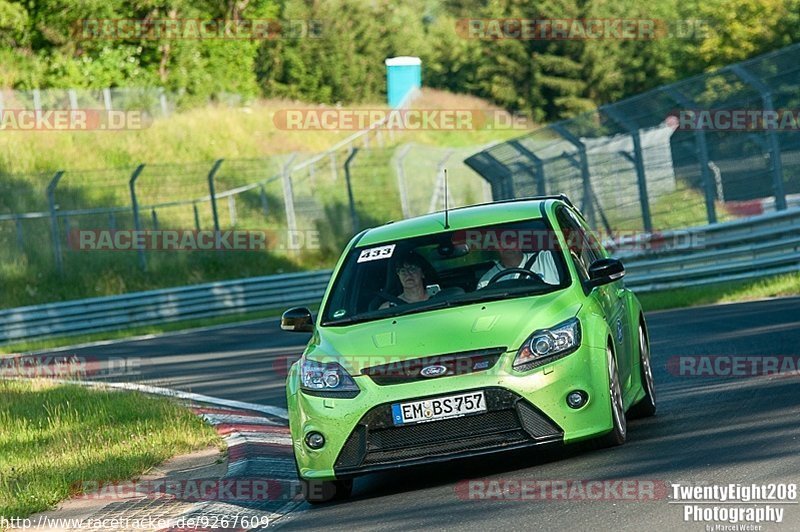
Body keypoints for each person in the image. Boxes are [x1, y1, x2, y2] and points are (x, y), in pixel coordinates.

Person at [476, 248, 559, 289]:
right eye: (501, 240)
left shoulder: (548, 258)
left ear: (520, 240)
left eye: (511, 238)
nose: (507, 244)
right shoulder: (486, 282)